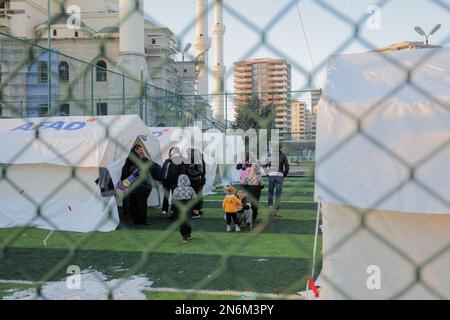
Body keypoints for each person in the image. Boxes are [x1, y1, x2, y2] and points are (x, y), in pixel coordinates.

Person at [121, 144, 153, 225]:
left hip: (133, 185)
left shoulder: (131, 164)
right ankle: (141, 221)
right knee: (141, 205)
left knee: (135, 203)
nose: (141, 152)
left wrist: (124, 184)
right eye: (140, 150)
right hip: (140, 186)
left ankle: (135, 218)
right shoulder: (137, 165)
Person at [265, 147, 289, 218]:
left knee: (270, 193)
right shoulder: (283, 155)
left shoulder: (270, 155)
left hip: (271, 175)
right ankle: (277, 212)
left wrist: (267, 174)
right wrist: (284, 174)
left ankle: (270, 209)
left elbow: (265, 165)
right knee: (278, 195)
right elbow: (287, 166)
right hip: (279, 175)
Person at [172, 174, 197, 243]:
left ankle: (184, 236)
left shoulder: (176, 189)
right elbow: (195, 198)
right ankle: (188, 234)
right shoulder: (190, 188)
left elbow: (173, 200)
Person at [163, 147, 187, 219]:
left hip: (175, 182)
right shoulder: (177, 160)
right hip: (173, 182)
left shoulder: (179, 160)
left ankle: (175, 214)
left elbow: (176, 172)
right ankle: (173, 213)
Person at [186, 148, 206, 218]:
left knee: (196, 196)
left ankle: (196, 211)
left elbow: (199, 172)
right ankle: (198, 210)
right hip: (197, 180)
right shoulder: (198, 160)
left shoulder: (197, 161)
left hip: (196, 181)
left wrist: (188, 172)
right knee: (197, 196)